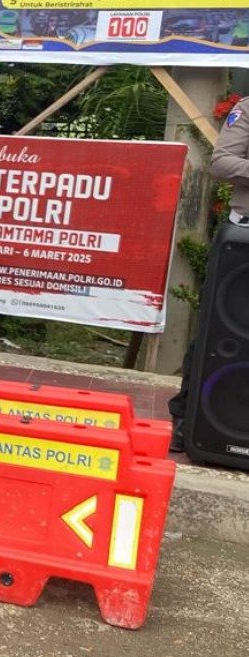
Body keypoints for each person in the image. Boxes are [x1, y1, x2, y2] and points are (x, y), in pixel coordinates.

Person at [168, 95, 249, 452]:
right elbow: (222, 162)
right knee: (221, 332)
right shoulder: (248, 108)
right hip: (244, 239)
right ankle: (187, 421)